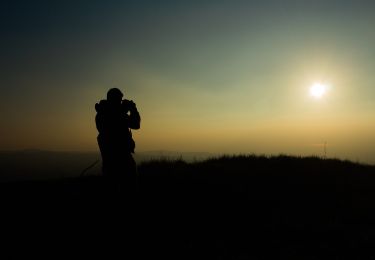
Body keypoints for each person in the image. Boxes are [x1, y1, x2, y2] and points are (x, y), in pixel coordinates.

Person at [95, 88, 141, 195]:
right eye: (119, 100)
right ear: (114, 100)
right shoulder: (108, 114)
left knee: (112, 188)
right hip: (121, 158)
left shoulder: (102, 113)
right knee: (129, 189)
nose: (121, 102)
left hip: (109, 159)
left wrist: (125, 110)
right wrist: (133, 109)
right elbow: (136, 124)